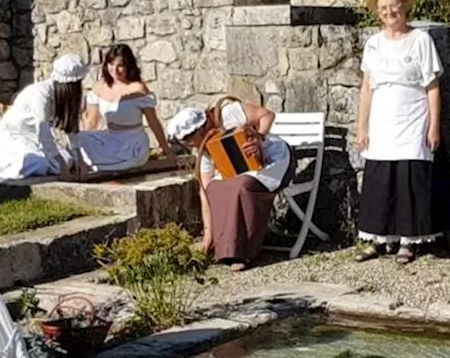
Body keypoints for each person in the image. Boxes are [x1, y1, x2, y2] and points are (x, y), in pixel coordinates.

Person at [354, 0, 450, 266]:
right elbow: (366, 87)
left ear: (405, 7)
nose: (390, 12)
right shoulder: (373, 44)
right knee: (380, 178)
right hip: (382, 118)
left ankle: (407, 240)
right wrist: (362, 126)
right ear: (378, 12)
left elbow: (432, 85)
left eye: (394, 6)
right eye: (384, 8)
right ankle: (377, 238)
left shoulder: (420, 40)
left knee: (408, 178)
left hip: (412, 117)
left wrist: (434, 125)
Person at [166, 100, 292, 272]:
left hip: (274, 159)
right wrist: (207, 238)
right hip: (239, 170)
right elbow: (205, 190)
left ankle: (245, 251)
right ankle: (226, 249)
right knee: (215, 188)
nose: (191, 146)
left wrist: (259, 138)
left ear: (200, 129)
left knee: (243, 186)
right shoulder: (205, 150)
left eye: (189, 141)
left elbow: (267, 115)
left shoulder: (228, 113)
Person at [77, 44, 177, 178]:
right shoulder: (99, 87)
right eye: (111, 64)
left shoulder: (137, 88)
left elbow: (153, 121)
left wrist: (165, 149)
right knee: (78, 139)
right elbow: (91, 121)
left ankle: (105, 161)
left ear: (128, 66)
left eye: (120, 66)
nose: (115, 70)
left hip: (132, 142)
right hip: (110, 137)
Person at [0, 53, 88, 184]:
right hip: (16, 135)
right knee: (40, 163)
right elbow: (43, 133)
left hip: (33, 136)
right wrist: (62, 167)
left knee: (66, 159)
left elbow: (71, 129)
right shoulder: (40, 95)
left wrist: (80, 162)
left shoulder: (63, 98)